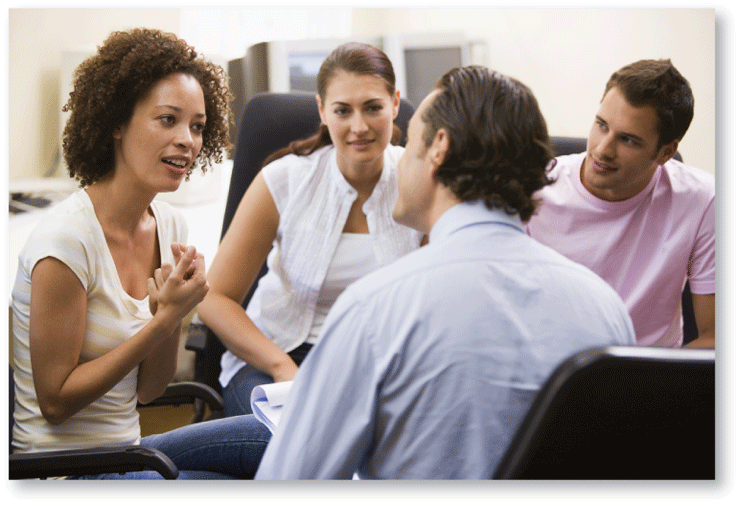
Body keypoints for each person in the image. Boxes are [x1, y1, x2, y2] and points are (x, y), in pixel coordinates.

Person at [254, 66, 636, 480]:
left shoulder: (374, 310)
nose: (399, 166)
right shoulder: (606, 309)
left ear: (438, 147)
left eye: (411, 139)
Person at [11, 28, 269, 479]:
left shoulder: (169, 226)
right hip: (65, 470)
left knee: (277, 435)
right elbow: (54, 402)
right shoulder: (65, 242)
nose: (188, 140)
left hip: (130, 451)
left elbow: (149, 391)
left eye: (197, 126)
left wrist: (169, 318)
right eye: (168, 119)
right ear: (116, 122)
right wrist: (167, 320)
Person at [196, 42, 424, 417]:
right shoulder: (284, 179)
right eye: (342, 110)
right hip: (276, 356)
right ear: (322, 110)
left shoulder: (419, 183)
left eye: (373, 107)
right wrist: (281, 368)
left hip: (378, 363)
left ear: (395, 104)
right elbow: (214, 296)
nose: (359, 126)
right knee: (288, 445)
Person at [525, 59, 715, 348]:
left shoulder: (702, 200)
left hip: (649, 380)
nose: (602, 150)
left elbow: (714, 338)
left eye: (627, 140)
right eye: (601, 125)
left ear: (665, 152)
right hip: (549, 376)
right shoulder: (532, 187)